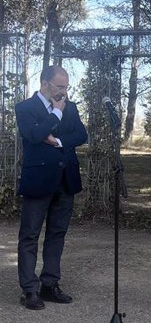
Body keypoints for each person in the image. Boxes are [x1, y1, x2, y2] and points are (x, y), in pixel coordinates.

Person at [15, 65, 88, 310]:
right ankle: (29, 289)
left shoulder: (72, 107)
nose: (64, 92)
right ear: (44, 83)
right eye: (59, 87)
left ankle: (49, 284)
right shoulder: (25, 108)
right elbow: (35, 134)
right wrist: (56, 114)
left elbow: (81, 135)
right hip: (38, 181)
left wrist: (57, 141)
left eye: (66, 87)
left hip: (65, 180)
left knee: (57, 234)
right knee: (30, 236)